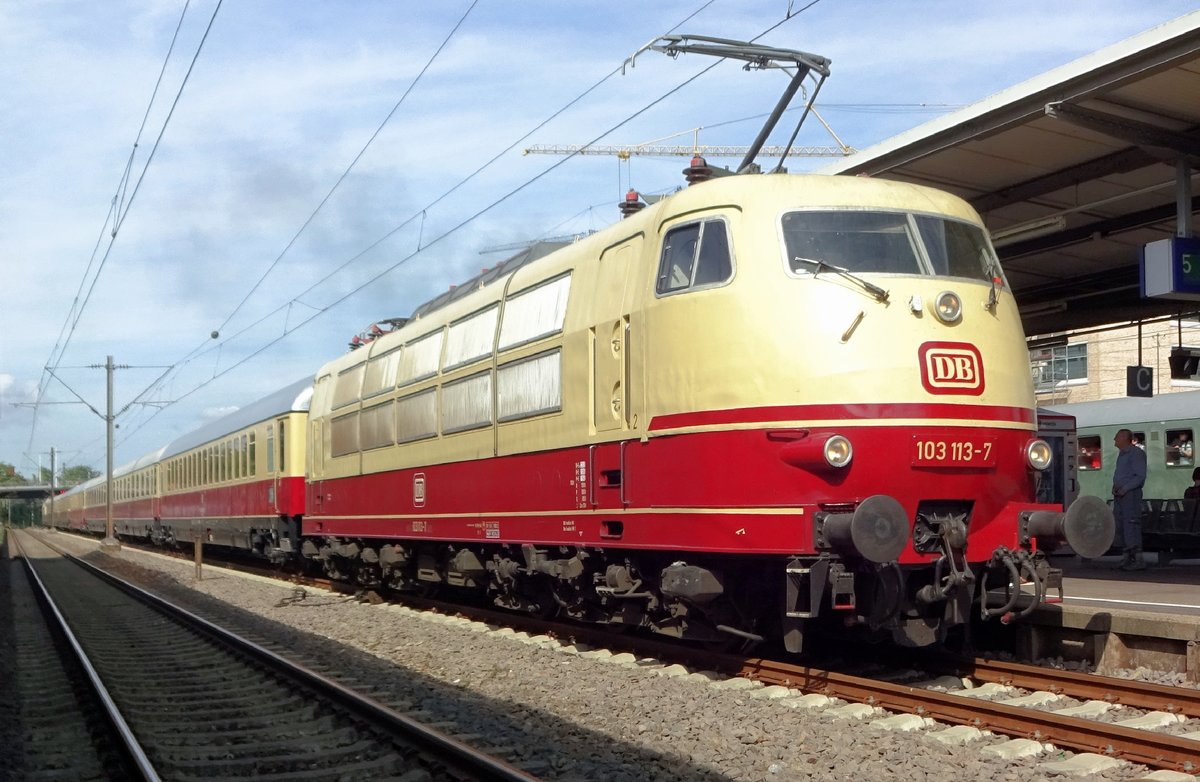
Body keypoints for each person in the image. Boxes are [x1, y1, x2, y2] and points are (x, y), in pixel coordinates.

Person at [1112, 428, 1148, 571]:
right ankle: (1127, 556)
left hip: (1130, 494)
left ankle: (1137, 559)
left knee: (1131, 523)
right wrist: (1115, 487)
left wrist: (1125, 488)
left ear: (1124, 438)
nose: (1114, 439)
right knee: (1121, 524)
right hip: (1120, 494)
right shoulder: (1122, 454)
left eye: (1117, 437)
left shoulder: (1136, 454)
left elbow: (1140, 476)